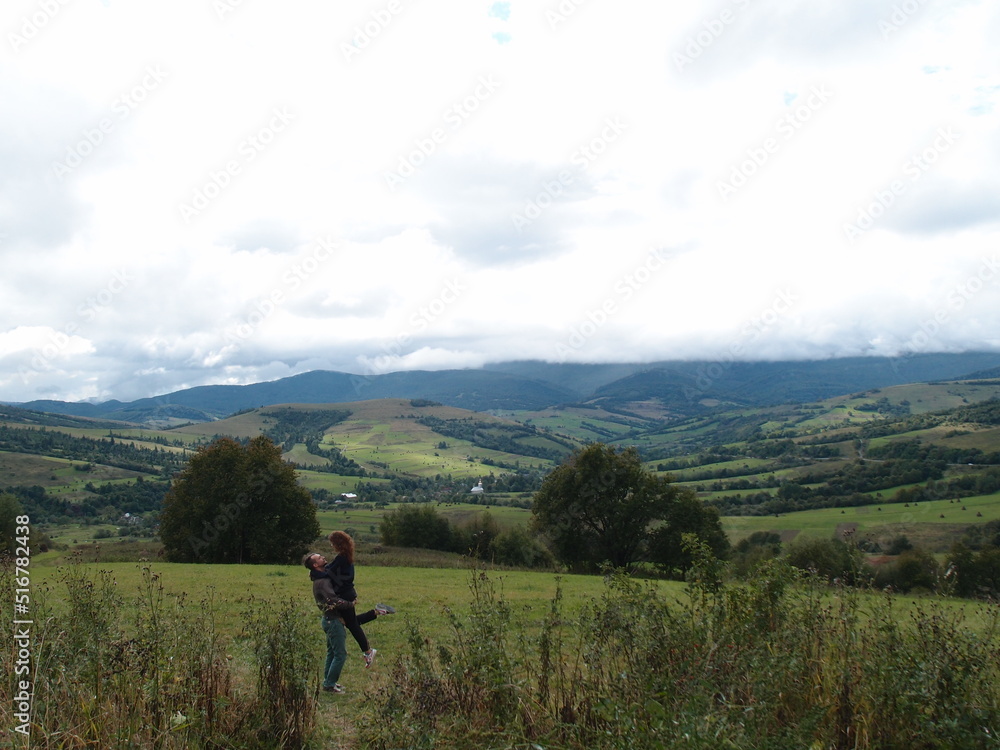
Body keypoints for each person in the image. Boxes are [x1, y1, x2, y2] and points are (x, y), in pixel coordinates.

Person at [303, 551, 394, 693]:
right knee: (340, 654)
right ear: (315, 565)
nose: (324, 557)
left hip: (330, 620)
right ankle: (329, 684)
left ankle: (329, 683)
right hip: (333, 621)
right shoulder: (321, 582)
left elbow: (334, 567)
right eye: (320, 558)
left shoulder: (323, 576)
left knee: (332, 653)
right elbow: (333, 600)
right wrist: (350, 604)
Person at [325, 530, 383, 667]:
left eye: (332, 543)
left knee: (352, 624)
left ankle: (368, 651)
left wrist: (316, 571)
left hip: (344, 595)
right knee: (350, 622)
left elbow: (328, 571)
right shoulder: (346, 556)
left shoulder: (341, 558)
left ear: (337, 543)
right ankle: (376, 612)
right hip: (347, 593)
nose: (331, 546)